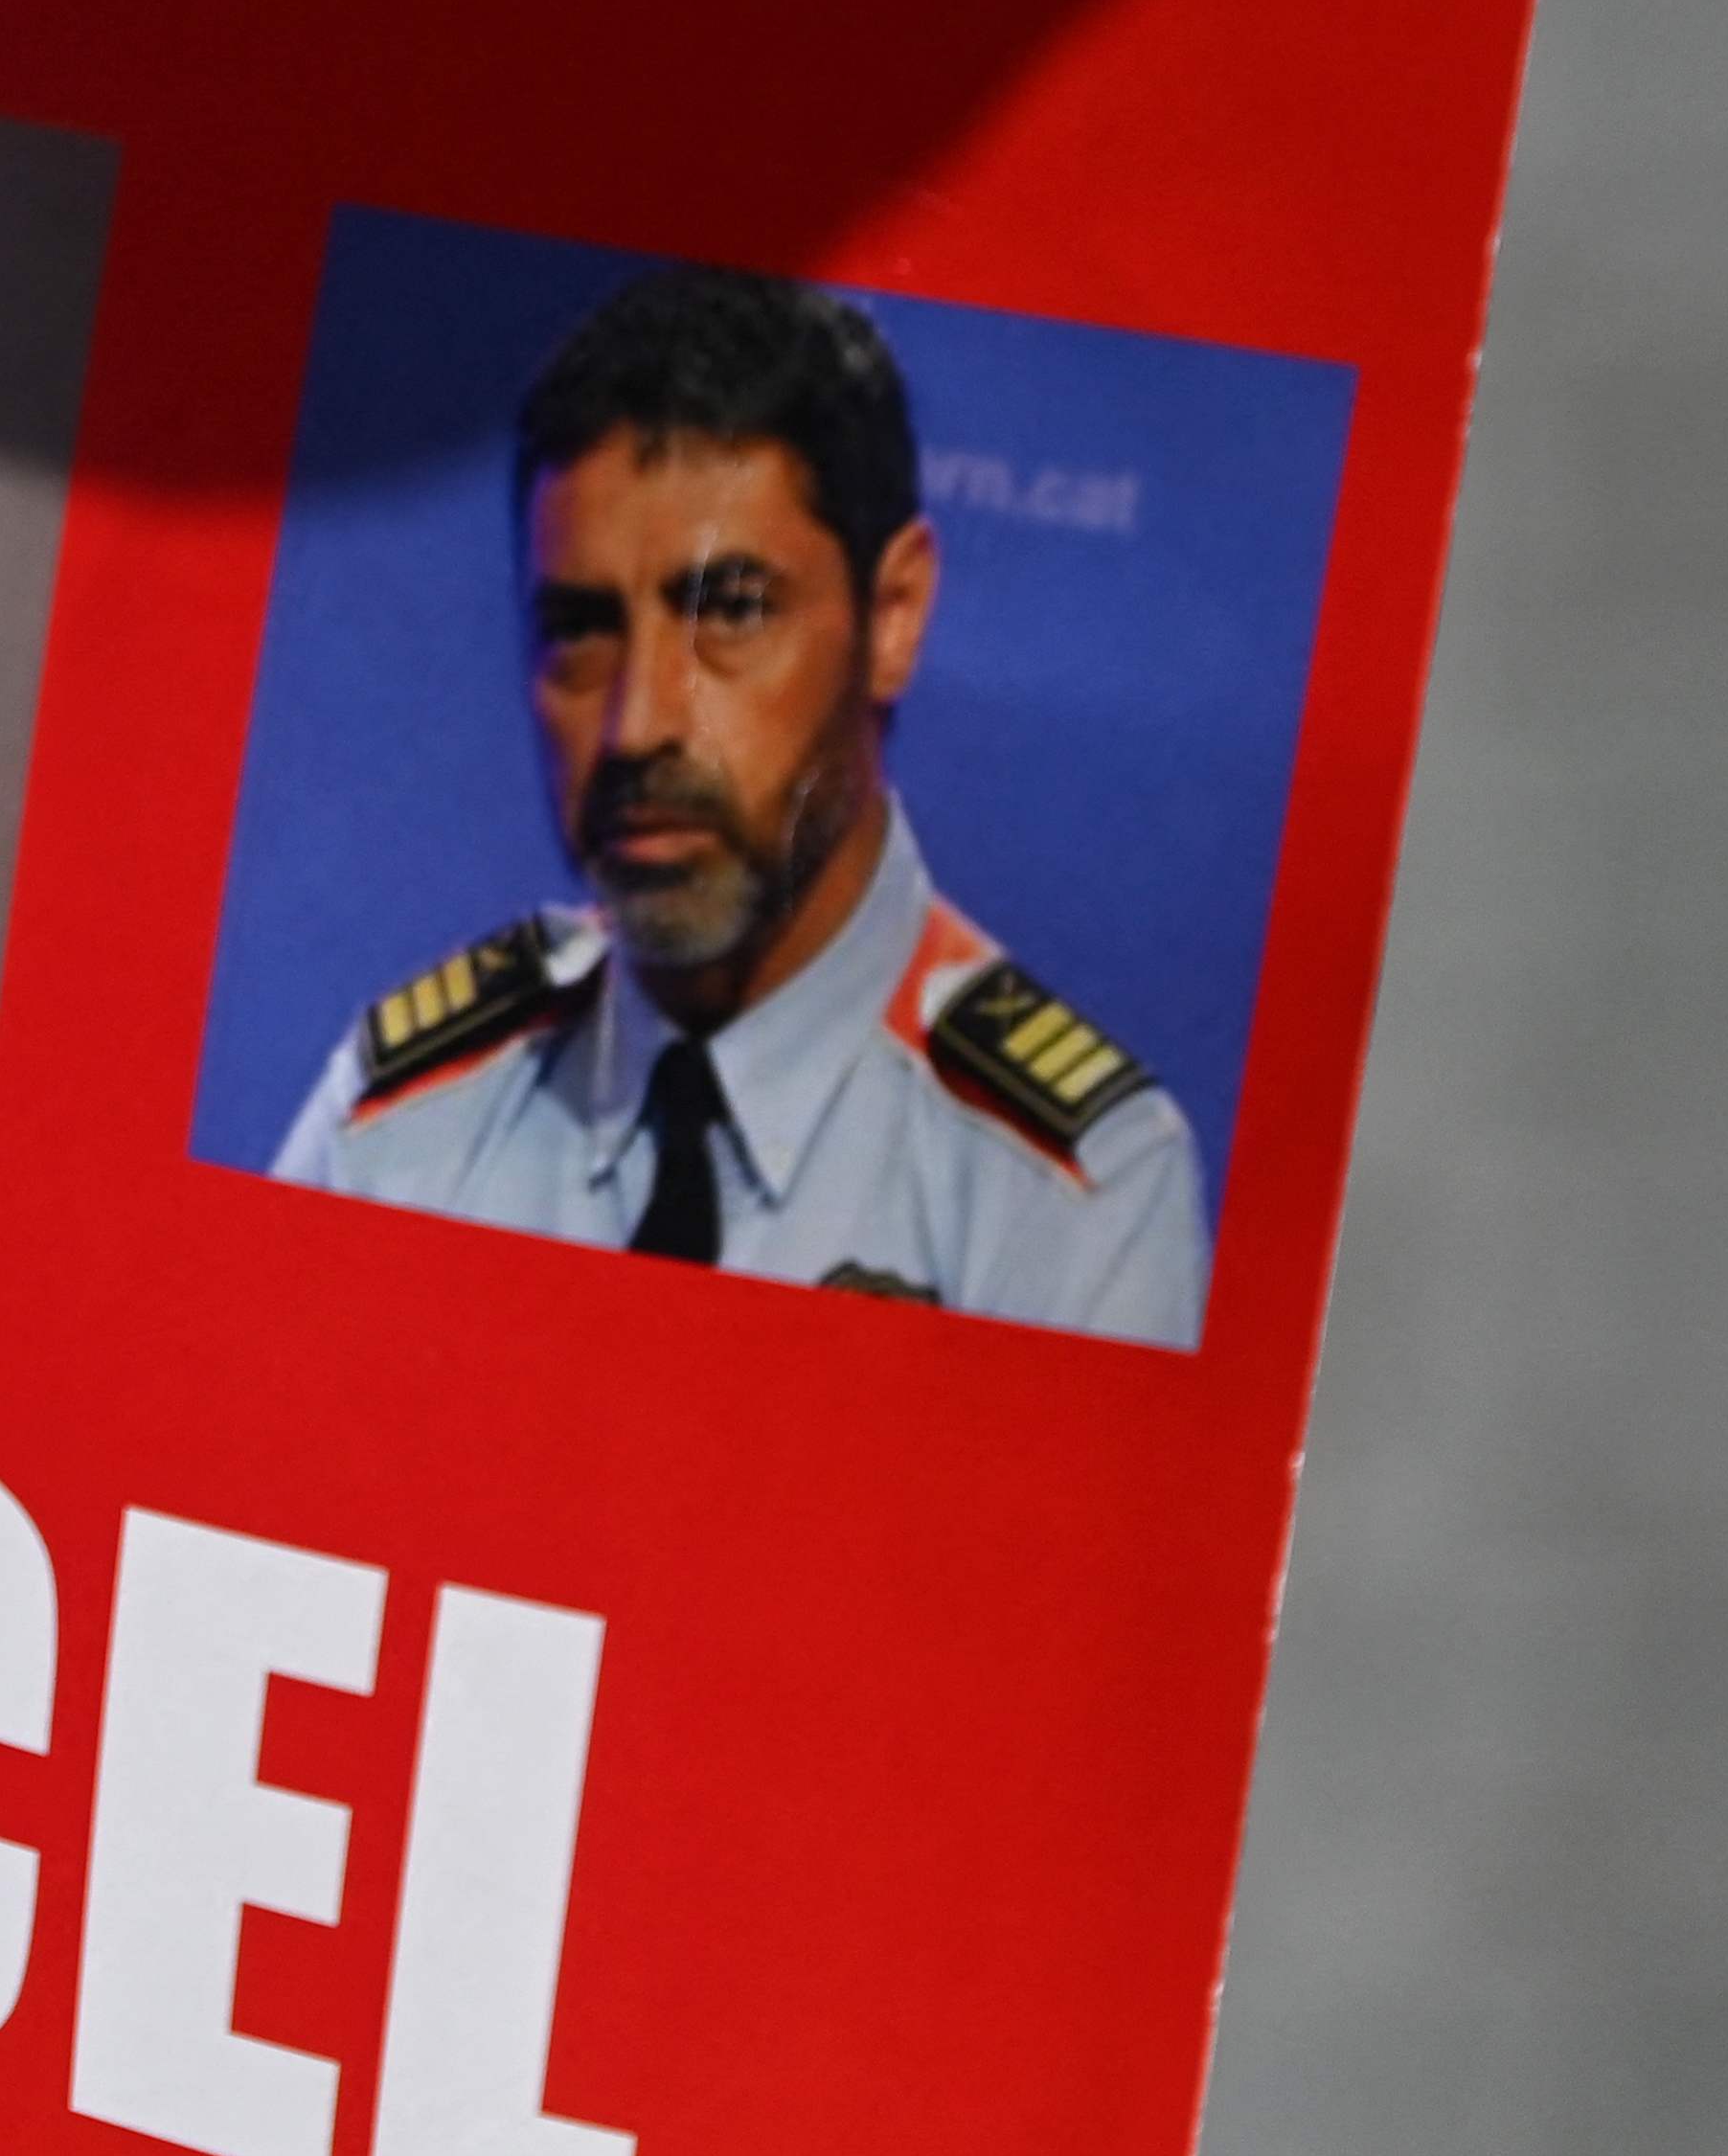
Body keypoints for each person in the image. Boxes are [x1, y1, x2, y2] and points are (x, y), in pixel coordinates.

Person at [270, 265, 1212, 1348]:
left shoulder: (1069, 1197)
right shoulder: (396, 1127)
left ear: (893, 614)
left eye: (730, 610)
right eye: (583, 629)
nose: (636, 725)